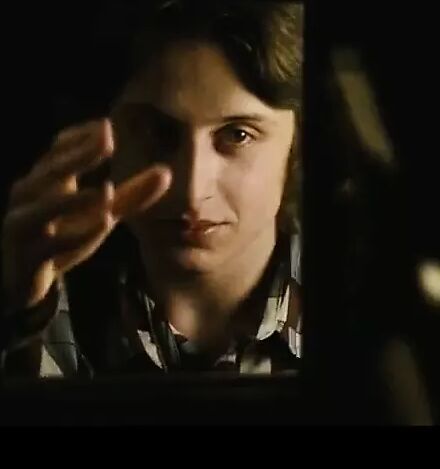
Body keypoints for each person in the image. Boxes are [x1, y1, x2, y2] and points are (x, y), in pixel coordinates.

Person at [0, 0, 304, 377]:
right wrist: (18, 312)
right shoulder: (39, 305)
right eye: (158, 131)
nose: (193, 191)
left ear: (296, 142)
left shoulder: (359, 312)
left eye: (238, 134)